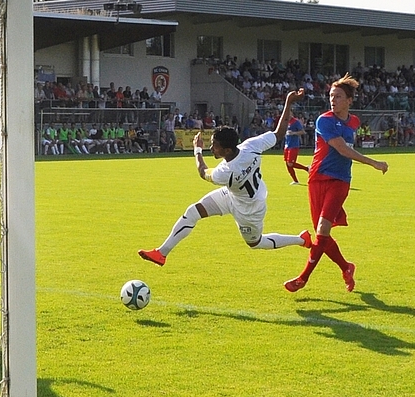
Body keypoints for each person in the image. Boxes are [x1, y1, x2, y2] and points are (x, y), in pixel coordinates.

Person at [138, 89, 312, 267]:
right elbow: (279, 133)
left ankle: (301, 239)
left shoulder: (226, 172)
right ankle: (161, 253)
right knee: (193, 211)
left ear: (227, 150)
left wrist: (197, 150)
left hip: (249, 210)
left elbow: (202, 172)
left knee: (256, 243)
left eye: (215, 146)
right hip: (232, 195)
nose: (212, 148)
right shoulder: (250, 146)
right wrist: (289, 101)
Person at [284, 74, 389, 293]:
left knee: (322, 230)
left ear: (350, 100)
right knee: (322, 235)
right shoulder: (325, 120)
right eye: (331, 96)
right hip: (317, 178)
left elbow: (345, 149)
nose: (333, 100)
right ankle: (346, 267)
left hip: (340, 181)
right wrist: (373, 162)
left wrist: (371, 162)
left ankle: (302, 279)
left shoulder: (353, 122)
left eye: (338, 96)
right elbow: (341, 148)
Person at [284, 109, 308, 185]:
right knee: (287, 164)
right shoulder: (286, 121)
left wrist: (294, 133)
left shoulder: (295, 122)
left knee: (290, 163)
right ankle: (295, 180)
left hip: (293, 145)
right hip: (287, 145)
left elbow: (303, 132)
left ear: (291, 113)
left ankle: (307, 168)